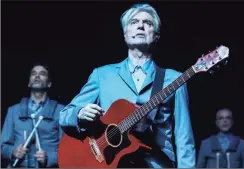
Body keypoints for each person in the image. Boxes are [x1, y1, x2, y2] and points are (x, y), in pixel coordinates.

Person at [59, 3, 196, 168]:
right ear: (125, 34)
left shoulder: (175, 79)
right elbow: (64, 115)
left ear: (157, 35)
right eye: (134, 22)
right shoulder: (102, 75)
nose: (140, 26)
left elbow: (184, 138)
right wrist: (80, 114)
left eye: (148, 23)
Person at [1, 63, 65, 168]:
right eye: (33, 73)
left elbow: (67, 149)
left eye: (42, 74)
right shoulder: (13, 111)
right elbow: (2, 146)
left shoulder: (61, 111)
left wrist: (49, 157)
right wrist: (13, 152)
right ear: (29, 83)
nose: (37, 76)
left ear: (49, 83)